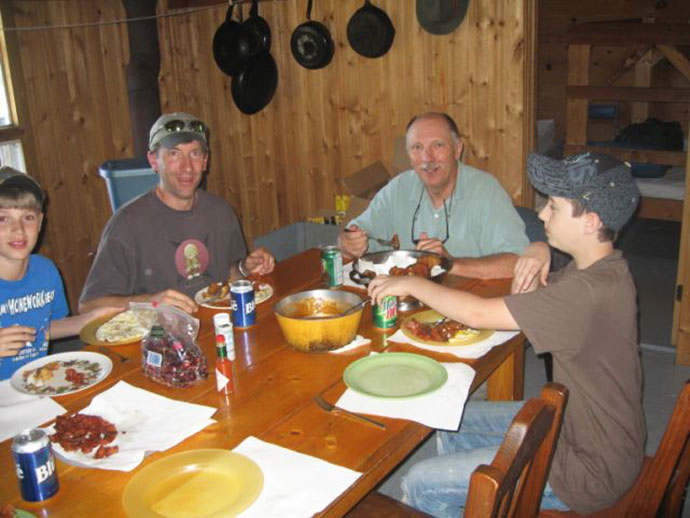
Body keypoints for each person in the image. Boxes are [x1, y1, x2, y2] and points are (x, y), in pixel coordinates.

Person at [368, 151, 646, 516]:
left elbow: (479, 313)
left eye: (554, 207)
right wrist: (539, 245)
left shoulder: (586, 293)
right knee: (450, 418)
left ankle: (460, 494)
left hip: (586, 470)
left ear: (590, 222)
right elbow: (531, 294)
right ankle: (473, 500)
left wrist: (411, 283)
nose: (542, 213)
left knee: (419, 480)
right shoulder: (601, 270)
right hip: (583, 429)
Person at [79, 112, 275, 314]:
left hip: (219, 328)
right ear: (154, 161)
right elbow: (89, 306)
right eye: (174, 154)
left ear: (205, 161)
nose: (187, 167)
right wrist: (151, 301)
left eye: (195, 153)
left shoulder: (221, 212)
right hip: (160, 339)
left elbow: (228, 277)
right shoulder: (126, 224)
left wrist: (245, 268)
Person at [338, 112, 529, 278]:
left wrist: (450, 264)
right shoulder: (397, 189)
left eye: (437, 145)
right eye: (417, 148)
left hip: (469, 303)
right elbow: (352, 236)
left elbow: (517, 262)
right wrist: (348, 243)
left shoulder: (486, 191)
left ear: (457, 149)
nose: (427, 158)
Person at [0, 167, 114, 380]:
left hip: (36, 384)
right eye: (3, 219)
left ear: (40, 222)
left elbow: (45, 329)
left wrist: (91, 318)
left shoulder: (46, 271)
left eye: (28, 217)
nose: (18, 229)